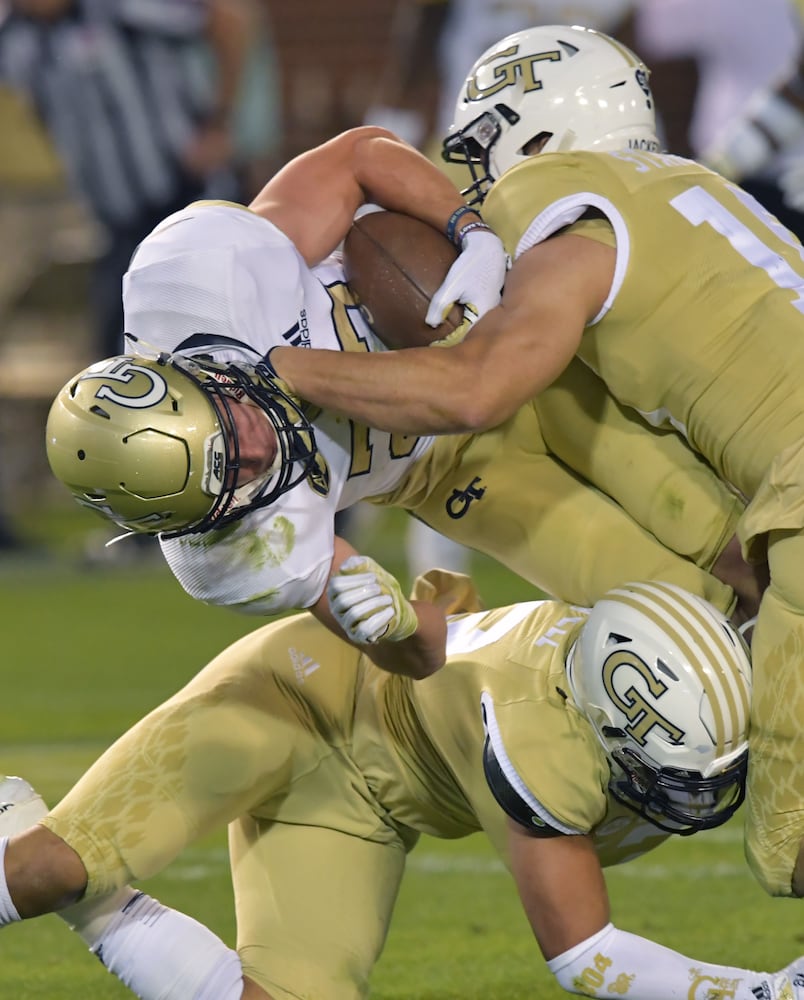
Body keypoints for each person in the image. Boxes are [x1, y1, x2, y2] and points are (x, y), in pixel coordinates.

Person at [258, 25, 804, 900]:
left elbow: (478, 389)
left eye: (484, 151)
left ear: (539, 134)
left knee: (791, 843)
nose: (474, 189)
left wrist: (273, 370)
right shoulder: (689, 187)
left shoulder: (562, 191)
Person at [46, 159, 766, 678]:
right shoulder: (232, 559)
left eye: (232, 428)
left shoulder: (202, 278)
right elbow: (425, 654)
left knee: (729, 542)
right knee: (678, 620)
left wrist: (469, 229)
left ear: (190, 374)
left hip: (504, 367)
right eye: (232, 480)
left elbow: (360, 157)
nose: (260, 453)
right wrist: (386, 627)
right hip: (454, 477)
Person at [3, 572, 801, 1000]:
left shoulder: (705, 671)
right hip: (297, 695)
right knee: (47, 870)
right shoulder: (535, 738)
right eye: (667, 771)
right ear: (594, 720)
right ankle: (58, 867)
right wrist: (760, 993)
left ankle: (96, 908)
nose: (699, 793)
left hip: (370, 806)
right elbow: (587, 960)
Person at [0, 0, 254, 361]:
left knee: (224, 346)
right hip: (117, 228)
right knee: (121, 362)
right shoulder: (15, 37)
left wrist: (220, 122)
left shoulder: (122, 8)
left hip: (190, 204)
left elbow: (229, 20)